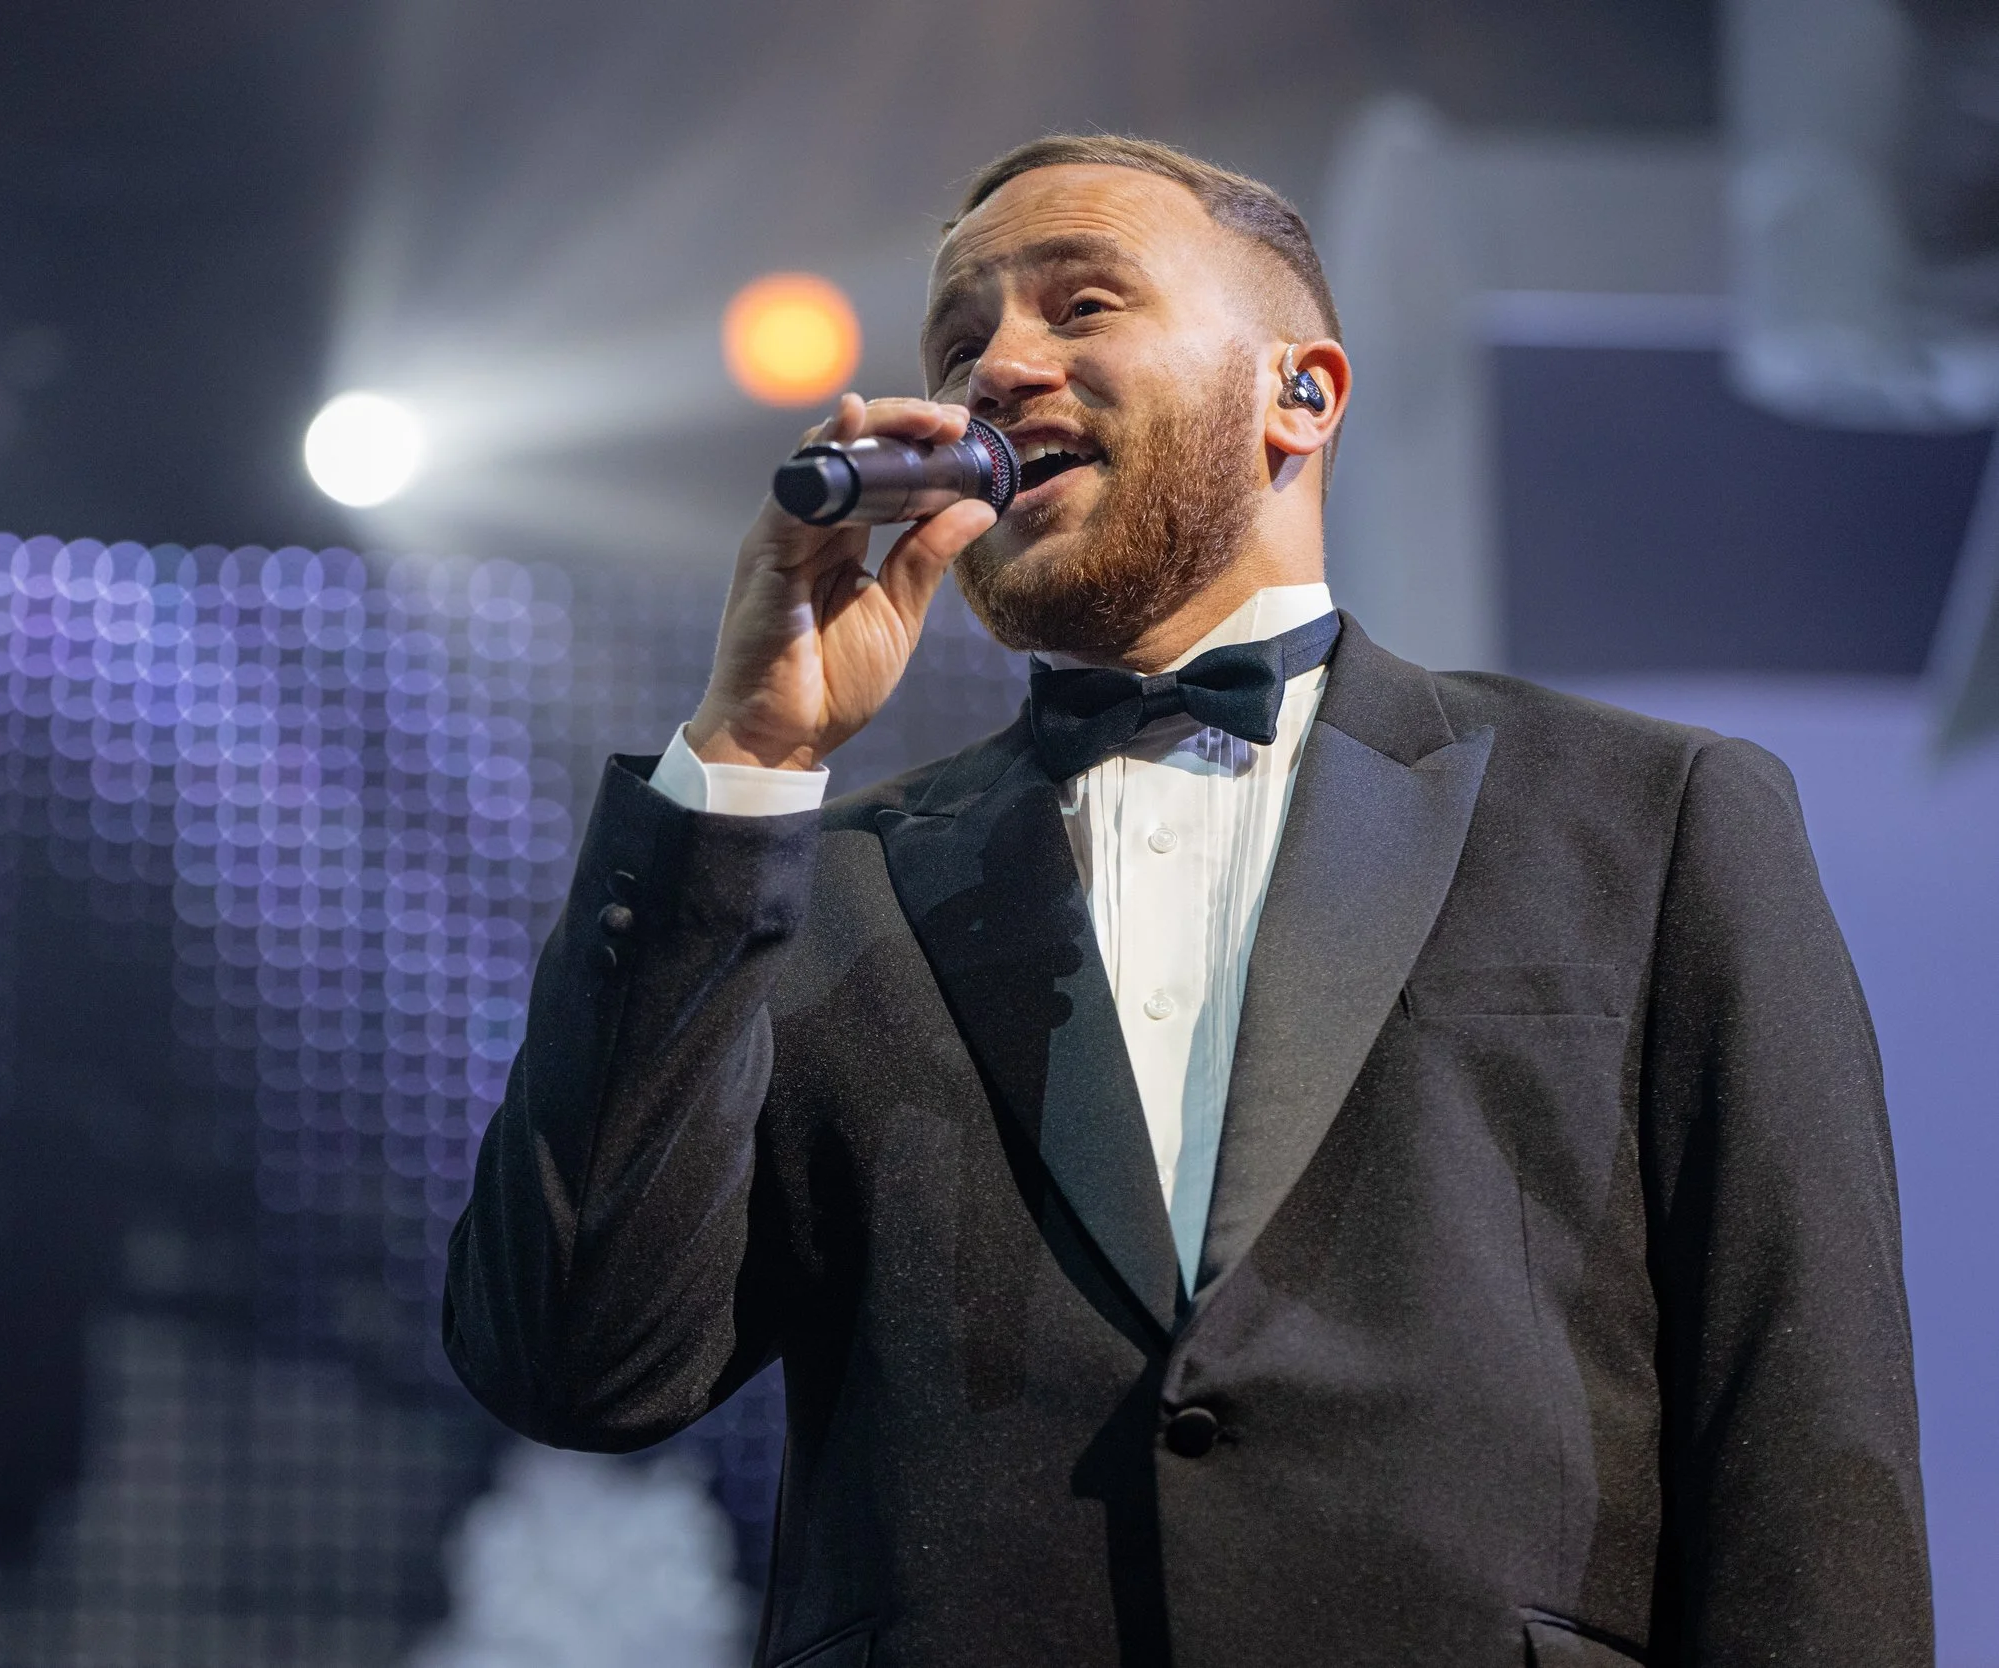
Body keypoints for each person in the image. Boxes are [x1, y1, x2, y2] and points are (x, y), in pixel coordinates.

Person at [442, 134, 1934, 1668]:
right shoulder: (819, 885)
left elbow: (1809, 1446)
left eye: (1082, 304)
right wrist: (748, 762)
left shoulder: (1650, 818)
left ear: (1303, 395)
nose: (996, 370)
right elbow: (572, 1363)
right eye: (959, 343)